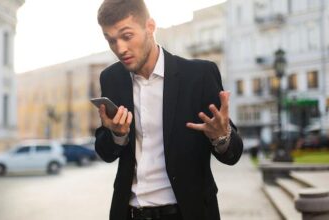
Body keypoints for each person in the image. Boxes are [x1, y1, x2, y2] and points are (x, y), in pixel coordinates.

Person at [94, 0, 243, 219]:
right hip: (130, 212)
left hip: (186, 213)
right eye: (111, 40)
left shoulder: (199, 76)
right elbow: (106, 153)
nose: (120, 48)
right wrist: (117, 134)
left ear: (150, 27)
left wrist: (222, 137)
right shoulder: (111, 78)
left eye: (127, 36)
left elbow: (233, 155)